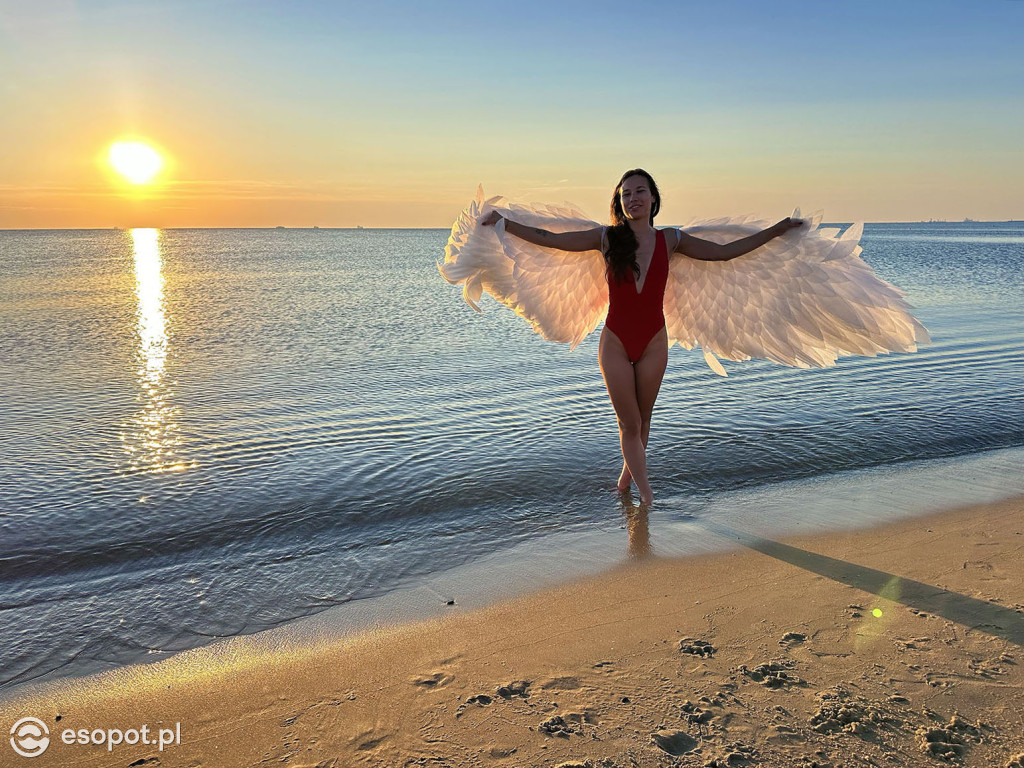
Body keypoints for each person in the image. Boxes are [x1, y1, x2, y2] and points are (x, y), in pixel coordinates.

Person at [479, 169, 804, 504]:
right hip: (616, 341)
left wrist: (778, 230)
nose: (633, 199)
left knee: (643, 422)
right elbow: (549, 238)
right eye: (626, 194)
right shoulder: (605, 238)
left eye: (640, 192)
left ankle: (624, 484)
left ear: (653, 198)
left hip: (654, 342)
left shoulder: (671, 240)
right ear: (619, 203)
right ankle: (647, 497)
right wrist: (506, 223)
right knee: (629, 423)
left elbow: (725, 252)